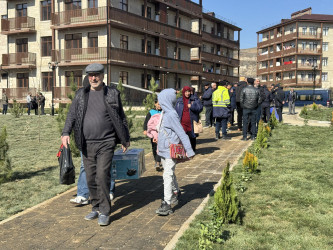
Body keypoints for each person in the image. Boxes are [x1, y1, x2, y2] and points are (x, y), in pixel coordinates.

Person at [61, 63, 130, 226]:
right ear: (87, 77)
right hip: (86, 144)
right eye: (90, 75)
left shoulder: (112, 93)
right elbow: (71, 115)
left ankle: (105, 211)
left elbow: (121, 117)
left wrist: (125, 138)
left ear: (103, 75)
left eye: (97, 74)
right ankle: (96, 206)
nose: (94, 78)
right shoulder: (81, 95)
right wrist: (65, 133)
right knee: (90, 177)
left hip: (106, 143)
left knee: (102, 175)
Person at [155, 88, 195, 216]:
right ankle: (176, 192)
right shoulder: (164, 113)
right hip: (162, 149)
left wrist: (189, 150)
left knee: (167, 175)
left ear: (165, 100)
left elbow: (181, 133)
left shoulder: (171, 114)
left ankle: (167, 203)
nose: (158, 102)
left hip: (170, 150)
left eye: (160, 100)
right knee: (169, 173)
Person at [175, 86, 203, 152]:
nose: (187, 93)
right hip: (182, 122)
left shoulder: (194, 99)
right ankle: (183, 151)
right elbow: (176, 111)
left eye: (188, 92)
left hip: (191, 122)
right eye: (186, 92)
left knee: (192, 137)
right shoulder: (179, 100)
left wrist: (192, 106)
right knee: (182, 137)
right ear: (183, 92)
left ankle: (192, 150)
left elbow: (200, 108)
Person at [143, 99, 162, 170]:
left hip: (161, 132)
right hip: (153, 133)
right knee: (154, 147)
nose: (159, 106)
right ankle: (156, 160)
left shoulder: (164, 111)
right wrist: (145, 129)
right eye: (158, 104)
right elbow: (146, 121)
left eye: (161, 104)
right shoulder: (151, 112)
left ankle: (158, 162)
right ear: (155, 104)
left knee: (160, 147)